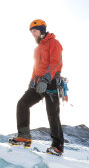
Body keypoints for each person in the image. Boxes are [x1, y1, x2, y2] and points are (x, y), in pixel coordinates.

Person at [9, 19, 65, 156]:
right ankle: (24, 136)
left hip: (50, 82)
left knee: (53, 114)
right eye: (31, 32)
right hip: (38, 83)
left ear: (42, 30)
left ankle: (57, 146)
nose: (33, 34)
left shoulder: (54, 43)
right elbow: (35, 67)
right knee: (22, 104)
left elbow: (56, 62)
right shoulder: (37, 48)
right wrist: (31, 83)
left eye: (35, 31)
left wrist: (46, 79)